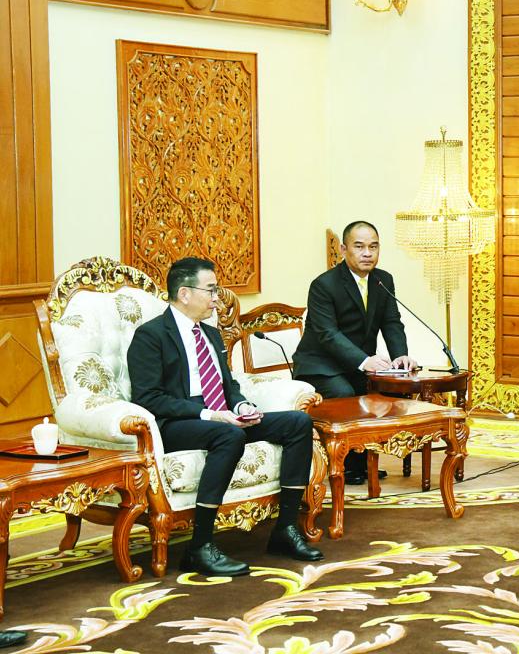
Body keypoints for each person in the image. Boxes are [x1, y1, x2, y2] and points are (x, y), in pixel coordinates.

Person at [127, 257, 323, 577]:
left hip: (222, 416)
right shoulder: (151, 335)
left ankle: (285, 530)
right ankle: (200, 546)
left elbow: (227, 384)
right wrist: (208, 414)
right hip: (177, 423)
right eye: (211, 290)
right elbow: (148, 398)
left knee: (297, 423)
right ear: (185, 293)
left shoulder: (210, 333)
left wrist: (242, 406)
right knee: (229, 435)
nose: (217, 298)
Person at [292, 220, 417, 483]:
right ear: (343, 249)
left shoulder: (383, 280)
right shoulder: (324, 285)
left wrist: (400, 356)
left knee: (390, 388)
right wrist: (364, 360)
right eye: (359, 247)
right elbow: (328, 334)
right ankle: (345, 465)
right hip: (320, 365)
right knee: (346, 393)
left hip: (358, 365)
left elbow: (391, 322)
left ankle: (366, 461)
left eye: (373, 247)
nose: (367, 253)